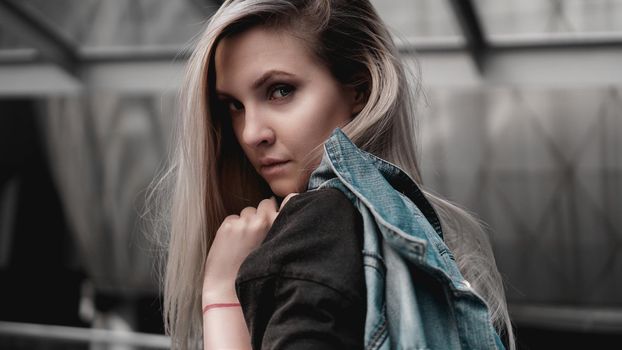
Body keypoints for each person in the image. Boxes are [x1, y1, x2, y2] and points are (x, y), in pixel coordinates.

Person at [148, 0, 515, 349]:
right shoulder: (417, 235)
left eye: (280, 91)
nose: (250, 133)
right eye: (235, 106)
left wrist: (222, 296)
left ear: (360, 88)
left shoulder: (317, 224)